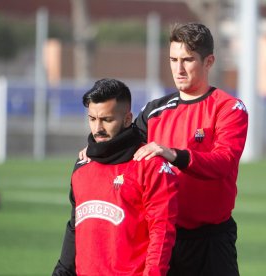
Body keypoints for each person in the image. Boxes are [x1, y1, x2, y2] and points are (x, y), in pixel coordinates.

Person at [81, 22, 248, 275]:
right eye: (173, 59)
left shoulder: (228, 108)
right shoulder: (154, 111)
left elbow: (224, 162)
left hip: (211, 242)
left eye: (187, 60)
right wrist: (94, 150)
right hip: (162, 239)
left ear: (209, 61)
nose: (178, 68)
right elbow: (121, 142)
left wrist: (174, 154)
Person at [53, 78, 178, 276]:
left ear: (127, 119)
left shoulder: (151, 165)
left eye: (107, 119)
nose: (98, 128)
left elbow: (161, 232)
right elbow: (74, 228)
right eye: (92, 119)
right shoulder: (82, 165)